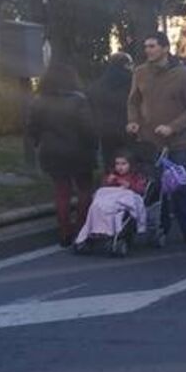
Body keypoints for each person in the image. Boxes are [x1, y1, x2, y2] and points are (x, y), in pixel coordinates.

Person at [126, 31, 186, 244]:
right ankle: (161, 228)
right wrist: (133, 121)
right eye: (146, 46)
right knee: (155, 186)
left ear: (165, 48)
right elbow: (133, 101)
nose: (148, 50)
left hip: (176, 142)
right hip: (149, 142)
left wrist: (173, 127)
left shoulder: (182, 74)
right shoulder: (140, 72)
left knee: (180, 186)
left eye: (152, 46)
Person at [28, 64, 98, 247]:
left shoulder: (39, 100)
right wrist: (93, 146)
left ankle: (64, 231)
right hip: (78, 151)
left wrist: (38, 143)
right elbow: (88, 128)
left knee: (62, 192)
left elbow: (32, 128)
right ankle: (82, 228)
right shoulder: (79, 100)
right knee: (84, 190)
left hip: (51, 151)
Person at [89, 53, 134, 171]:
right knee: (130, 164)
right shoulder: (132, 83)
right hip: (129, 130)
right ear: (125, 65)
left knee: (110, 164)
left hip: (105, 132)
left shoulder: (97, 85)